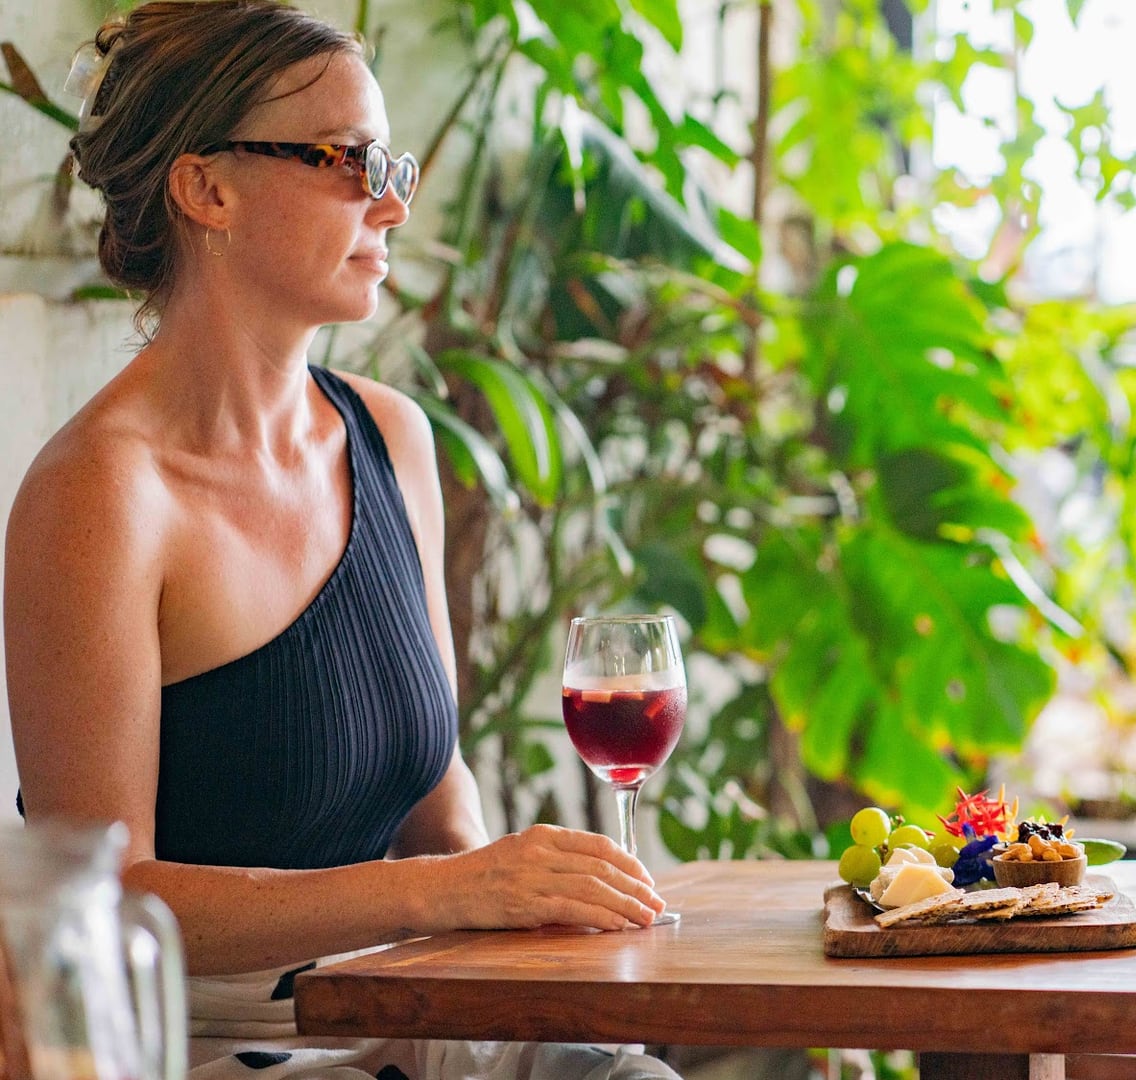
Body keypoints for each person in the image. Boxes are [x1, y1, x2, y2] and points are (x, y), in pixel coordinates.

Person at [2, 3, 679, 1077]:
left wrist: (537, 927)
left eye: (390, 162)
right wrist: (443, 893)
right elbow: (107, 894)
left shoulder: (390, 438)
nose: (394, 202)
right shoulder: (100, 497)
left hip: (421, 1008)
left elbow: (438, 797)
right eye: (350, 161)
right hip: (226, 1043)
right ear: (206, 187)